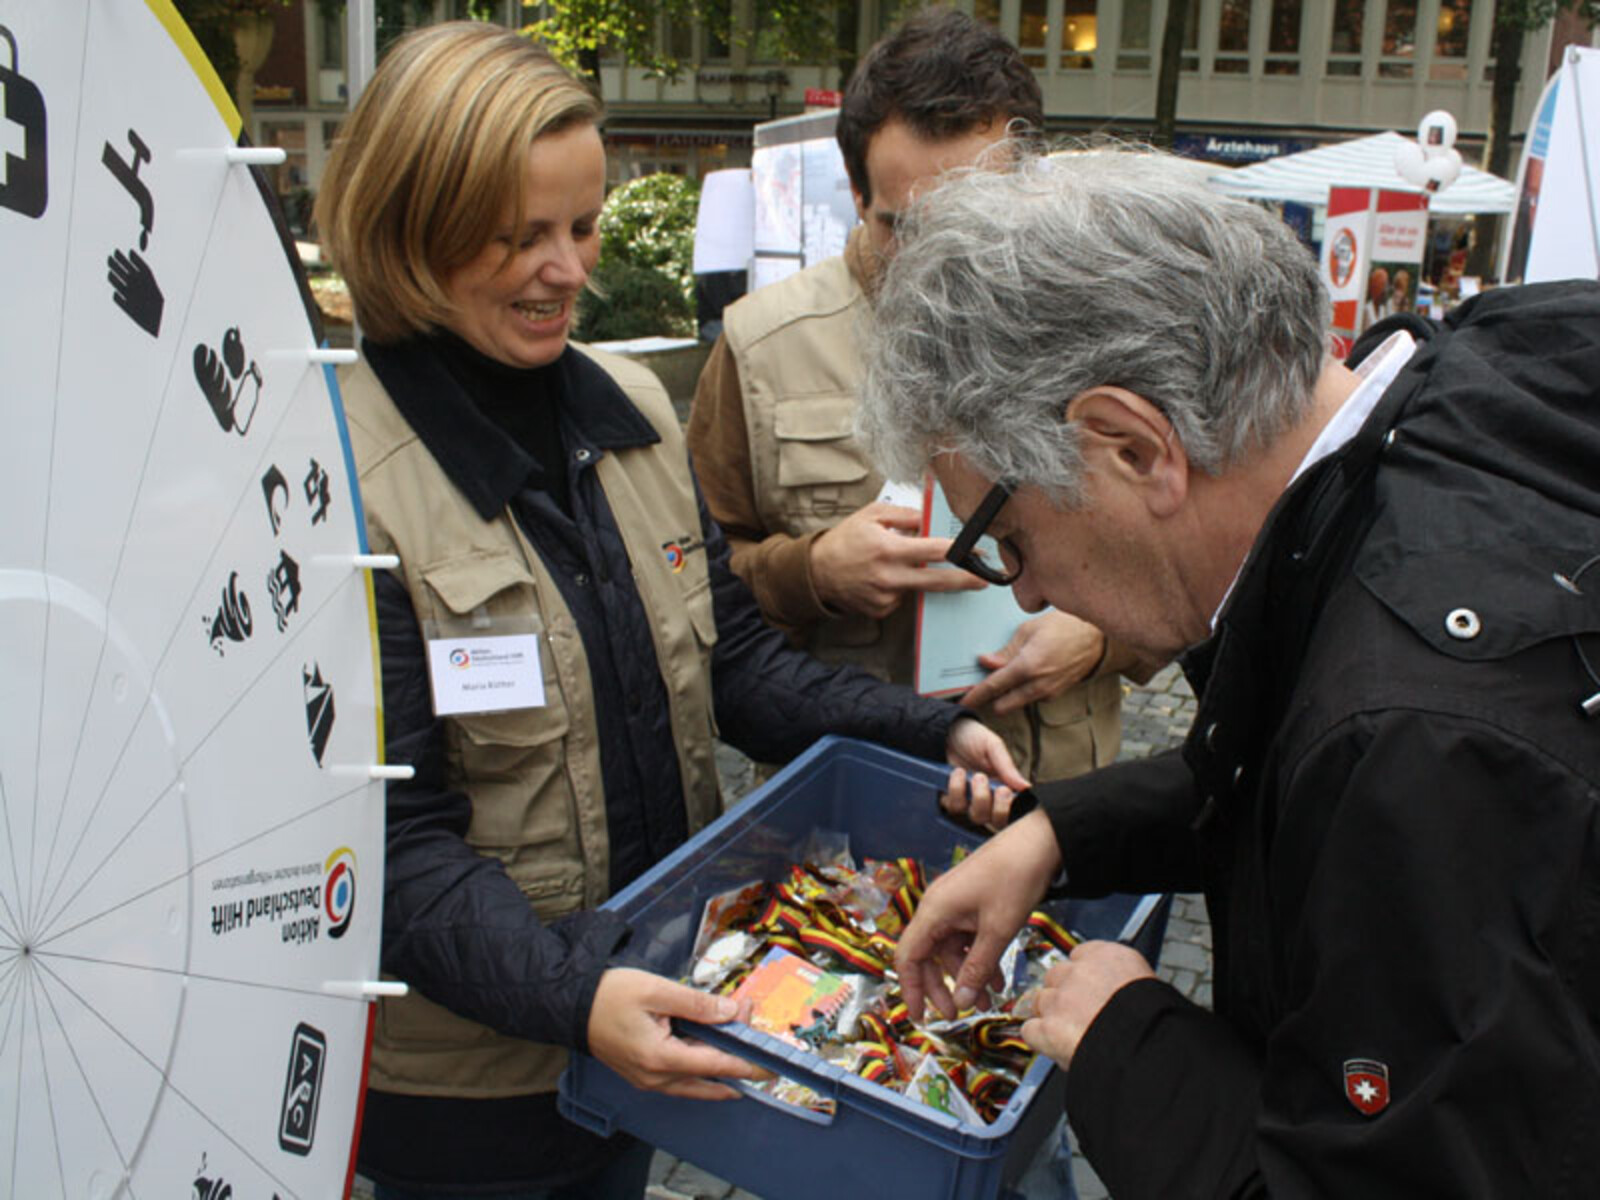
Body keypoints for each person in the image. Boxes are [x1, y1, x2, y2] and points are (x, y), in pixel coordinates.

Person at [313, 23, 1027, 1199]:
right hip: (467, 1091)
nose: (567, 271)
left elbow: (731, 660)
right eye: (516, 238)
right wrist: (574, 994)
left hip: (649, 1016)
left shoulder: (633, 408)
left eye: (582, 226)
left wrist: (927, 729)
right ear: (408, 229)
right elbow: (389, 849)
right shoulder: (341, 477)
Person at [858, 146, 1600, 1197]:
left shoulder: (1413, 745)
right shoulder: (1479, 372)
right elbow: (1295, 739)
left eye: (1004, 534)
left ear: (1131, 448)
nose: (1020, 593)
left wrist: (1126, 1034)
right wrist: (1063, 828)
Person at [688, 9, 1142, 804]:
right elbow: (689, 587)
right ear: (858, 195)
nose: (942, 260)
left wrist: (1103, 636)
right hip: (853, 796)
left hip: (1060, 793)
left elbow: (1188, 545)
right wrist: (812, 573)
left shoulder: (1106, 330)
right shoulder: (762, 344)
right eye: (909, 226)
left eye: (977, 221)